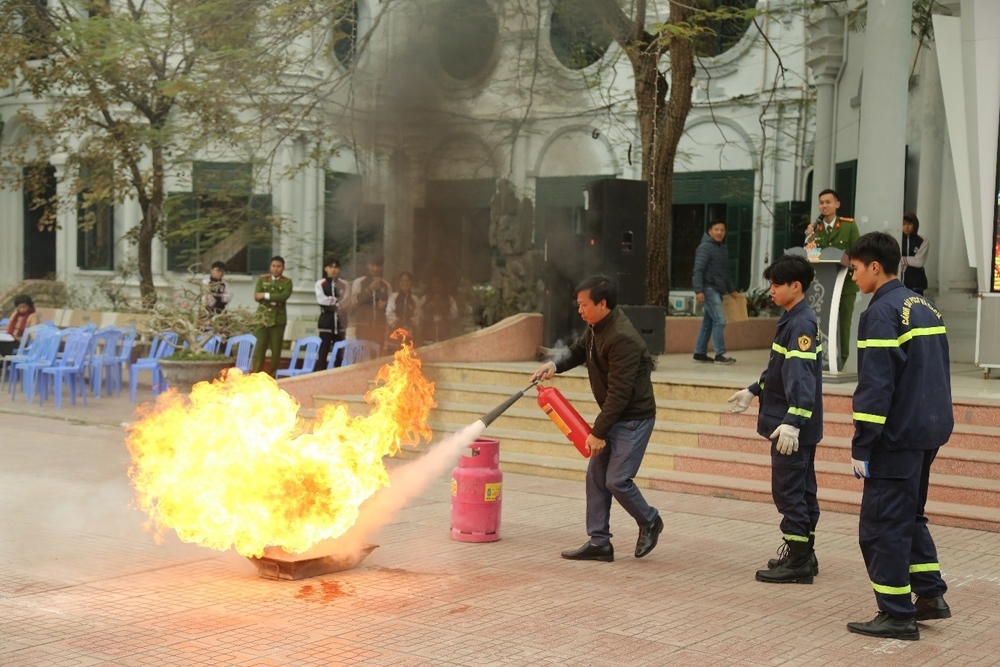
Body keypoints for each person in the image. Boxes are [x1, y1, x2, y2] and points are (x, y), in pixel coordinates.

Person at [844, 232, 953, 641]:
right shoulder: (925, 305)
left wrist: (862, 442)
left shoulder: (880, 313)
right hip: (929, 429)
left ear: (875, 266)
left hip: (897, 435)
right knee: (910, 515)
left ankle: (895, 613)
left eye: (855, 268)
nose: (853, 276)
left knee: (882, 525)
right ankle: (929, 596)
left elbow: (876, 385)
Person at [531, 275, 662, 563]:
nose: (579, 310)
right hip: (614, 416)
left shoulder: (622, 337)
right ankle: (599, 542)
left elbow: (619, 394)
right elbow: (579, 351)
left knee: (617, 480)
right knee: (596, 477)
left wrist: (599, 432)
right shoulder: (597, 325)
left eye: (583, 305)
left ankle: (650, 520)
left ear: (602, 304)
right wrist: (553, 364)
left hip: (633, 419)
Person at [728, 254, 823, 584]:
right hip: (792, 423)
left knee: (788, 492)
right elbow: (779, 370)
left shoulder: (800, 324)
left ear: (795, 287)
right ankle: (804, 555)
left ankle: (797, 560)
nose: (771, 290)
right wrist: (754, 389)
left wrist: (794, 420)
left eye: (777, 284)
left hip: (790, 427)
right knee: (802, 490)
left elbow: (802, 378)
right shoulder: (793, 319)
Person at [805, 189, 860, 370]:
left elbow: (857, 251)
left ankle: (840, 362)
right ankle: (822, 360)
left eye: (828, 202)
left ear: (837, 204)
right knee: (822, 321)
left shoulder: (848, 226)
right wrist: (810, 238)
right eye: (821, 202)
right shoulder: (816, 228)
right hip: (823, 286)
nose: (824, 206)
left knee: (843, 323)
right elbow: (812, 255)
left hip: (845, 285)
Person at [692, 220, 738, 365]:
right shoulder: (705, 248)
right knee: (720, 320)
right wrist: (698, 290)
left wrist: (732, 290)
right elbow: (698, 270)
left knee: (708, 322)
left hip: (718, 289)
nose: (719, 233)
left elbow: (725, 272)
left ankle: (699, 353)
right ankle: (720, 354)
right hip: (709, 288)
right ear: (710, 231)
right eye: (716, 229)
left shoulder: (722, 249)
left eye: (722, 230)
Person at [251, 256, 293, 377]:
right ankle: (256, 376)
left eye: (279, 266)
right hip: (263, 318)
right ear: (270, 267)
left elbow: (283, 296)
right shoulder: (262, 279)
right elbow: (256, 296)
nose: (276, 269)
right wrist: (273, 297)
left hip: (277, 319)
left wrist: (265, 295)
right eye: (273, 266)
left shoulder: (287, 282)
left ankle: (272, 376)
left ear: (283, 268)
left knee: (276, 350)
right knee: (259, 349)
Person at [315, 256, 350, 371]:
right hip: (326, 322)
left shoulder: (344, 284)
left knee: (340, 353)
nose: (333, 270)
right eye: (330, 267)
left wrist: (336, 303)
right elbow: (321, 300)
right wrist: (335, 301)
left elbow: (346, 299)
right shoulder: (320, 284)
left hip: (340, 323)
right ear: (326, 268)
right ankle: (320, 375)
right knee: (323, 352)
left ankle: (338, 375)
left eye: (335, 267)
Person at [350, 256, 390, 347]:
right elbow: (354, 301)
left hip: (379, 328)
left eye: (378, 266)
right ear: (368, 266)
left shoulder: (386, 285)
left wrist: (385, 305)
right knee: (362, 355)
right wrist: (369, 290)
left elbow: (391, 305)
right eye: (373, 265)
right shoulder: (359, 282)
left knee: (378, 357)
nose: (375, 269)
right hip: (363, 326)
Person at [386, 271, 421, 352]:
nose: (405, 283)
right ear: (399, 283)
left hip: (410, 336)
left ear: (411, 282)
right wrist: (400, 327)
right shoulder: (393, 297)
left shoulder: (415, 299)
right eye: (402, 281)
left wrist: (410, 327)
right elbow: (389, 314)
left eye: (407, 281)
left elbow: (417, 317)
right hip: (395, 336)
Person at [420, 274, 458, 345]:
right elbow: (420, 314)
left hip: (444, 336)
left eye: (439, 283)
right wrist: (429, 306)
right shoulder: (424, 299)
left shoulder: (450, 299)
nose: (437, 286)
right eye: (435, 283)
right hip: (428, 337)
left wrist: (442, 306)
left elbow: (454, 315)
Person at [900, 212, 929, 295]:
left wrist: (902, 260)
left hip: (916, 283)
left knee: (916, 306)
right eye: (904, 224)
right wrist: (910, 260)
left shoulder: (922, 241)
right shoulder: (897, 240)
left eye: (909, 224)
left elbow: (919, 262)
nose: (906, 227)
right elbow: (891, 258)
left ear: (915, 225)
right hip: (899, 283)